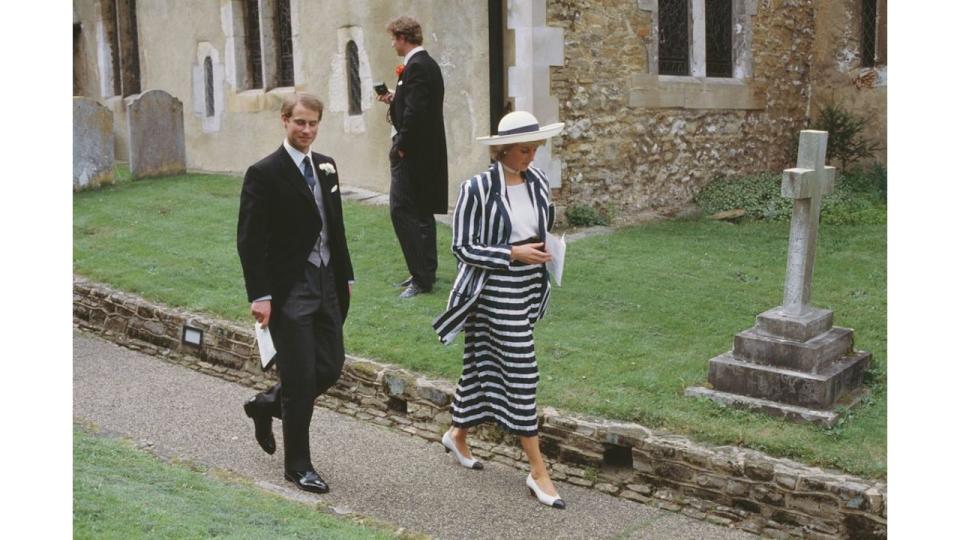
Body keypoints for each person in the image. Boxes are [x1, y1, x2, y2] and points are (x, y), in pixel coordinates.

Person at [432, 111, 567, 509]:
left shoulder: (537, 181)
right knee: (523, 370)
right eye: (525, 150)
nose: (532, 156)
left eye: (535, 149)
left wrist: (545, 250)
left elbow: (541, 223)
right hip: (493, 289)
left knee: (480, 362)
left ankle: (457, 433)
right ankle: (538, 471)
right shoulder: (476, 189)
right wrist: (512, 252)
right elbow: (462, 247)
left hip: (528, 287)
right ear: (503, 149)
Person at [236, 93, 354, 494]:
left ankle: (266, 404)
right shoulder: (264, 173)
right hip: (289, 290)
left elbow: (334, 226)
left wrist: (346, 275)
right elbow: (250, 241)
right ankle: (297, 466)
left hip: (327, 284)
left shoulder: (326, 166)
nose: (306, 130)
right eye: (299, 122)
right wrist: (261, 295)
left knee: (331, 366)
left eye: (313, 123)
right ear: (284, 121)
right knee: (301, 379)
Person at [376, 15, 448, 299]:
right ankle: (425, 272)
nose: (392, 43)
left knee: (402, 211)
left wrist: (400, 146)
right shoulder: (425, 65)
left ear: (403, 38)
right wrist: (395, 97)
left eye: (393, 38)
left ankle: (421, 278)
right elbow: (418, 104)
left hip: (413, 154)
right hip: (425, 153)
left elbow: (416, 114)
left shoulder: (416, 67)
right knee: (422, 213)